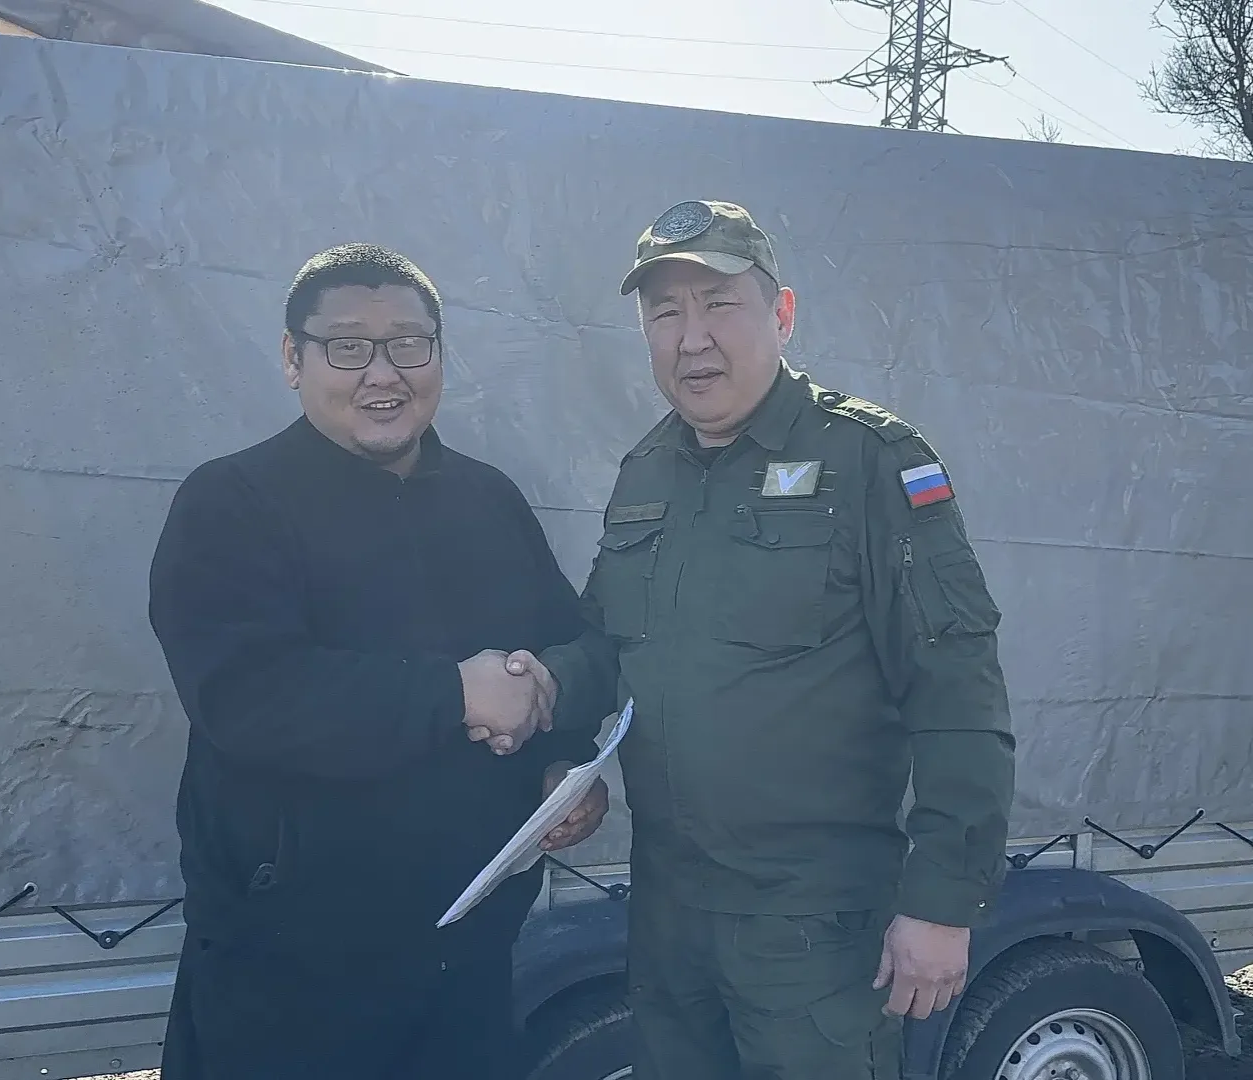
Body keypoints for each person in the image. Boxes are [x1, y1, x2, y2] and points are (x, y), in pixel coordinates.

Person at [488, 200, 1016, 1080]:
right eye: (664, 312)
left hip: (814, 930)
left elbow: (955, 686)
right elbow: (609, 647)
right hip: (668, 918)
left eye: (718, 304)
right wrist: (540, 687)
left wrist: (942, 902)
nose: (691, 338)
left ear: (782, 313)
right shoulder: (647, 471)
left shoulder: (869, 460)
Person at [147, 242, 609, 1080]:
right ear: (293, 358)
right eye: (348, 347)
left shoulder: (487, 498)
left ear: (439, 354)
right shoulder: (232, 501)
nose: (382, 373)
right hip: (288, 975)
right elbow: (245, 696)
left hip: (467, 958)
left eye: (407, 344)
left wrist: (562, 768)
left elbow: (559, 647)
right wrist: (451, 693)